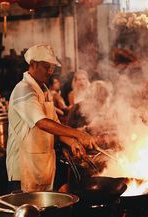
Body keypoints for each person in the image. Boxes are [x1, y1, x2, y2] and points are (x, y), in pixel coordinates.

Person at [6, 44, 97, 192]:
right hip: (24, 169)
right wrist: (78, 134)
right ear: (33, 64)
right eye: (46, 66)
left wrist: (72, 142)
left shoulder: (44, 91)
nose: (50, 71)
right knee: (29, 213)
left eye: (52, 67)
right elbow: (41, 123)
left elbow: (55, 125)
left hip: (42, 166)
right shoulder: (23, 89)